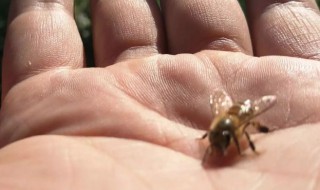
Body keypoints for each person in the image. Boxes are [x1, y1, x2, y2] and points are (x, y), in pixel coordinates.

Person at [1, 0, 320, 189]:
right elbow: (219, 115)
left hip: (243, 111)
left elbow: (229, 120)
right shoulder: (220, 125)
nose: (219, 145)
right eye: (218, 141)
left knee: (253, 125)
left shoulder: (232, 125)